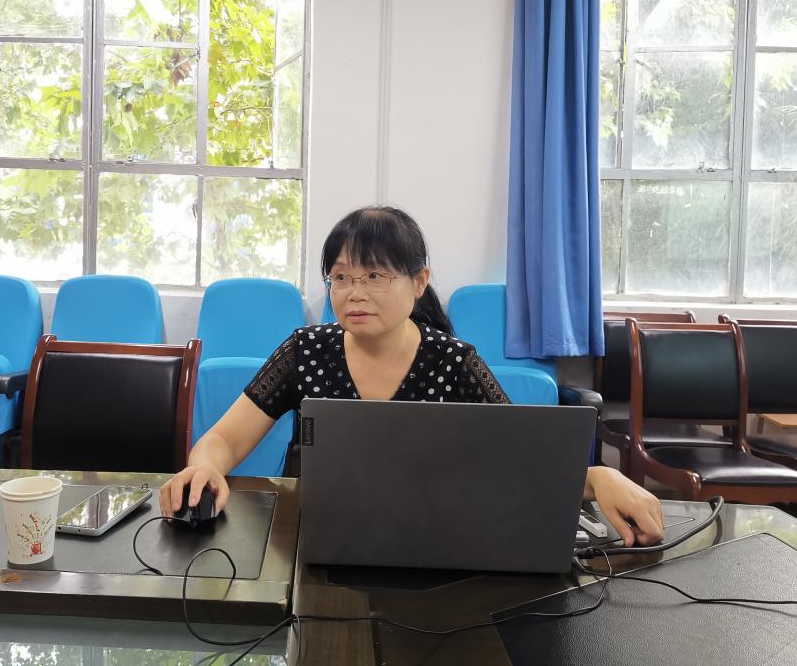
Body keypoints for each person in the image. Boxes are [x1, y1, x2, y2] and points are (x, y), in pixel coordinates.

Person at [161, 206, 665, 547]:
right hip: (319, 541)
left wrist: (599, 476)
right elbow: (225, 438)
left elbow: (523, 460)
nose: (354, 292)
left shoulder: (454, 361)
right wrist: (203, 467)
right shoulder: (306, 350)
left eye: (375, 276)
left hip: (435, 541)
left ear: (419, 281)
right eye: (341, 277)